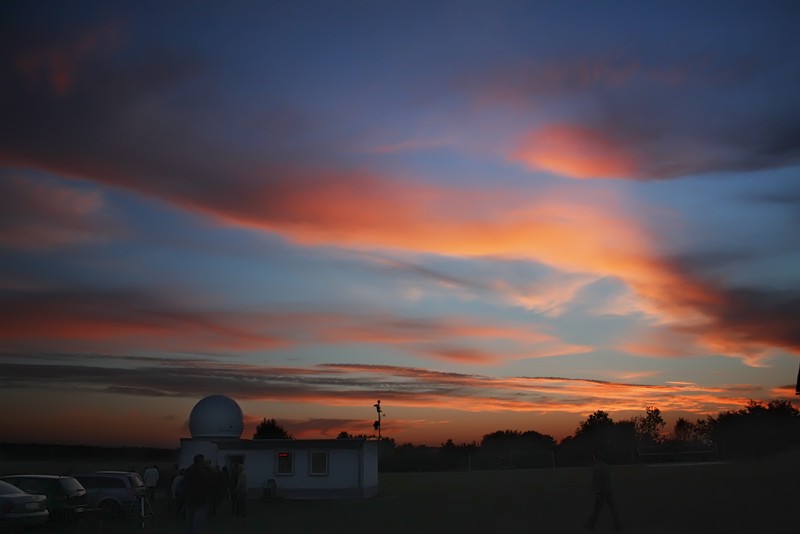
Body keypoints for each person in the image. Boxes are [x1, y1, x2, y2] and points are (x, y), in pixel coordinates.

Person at [583, 451, 622, 532]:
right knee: (612, 510)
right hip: (606, 492)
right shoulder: (603, 467)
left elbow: (600, 481)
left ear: (597, 459)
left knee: (597, 510)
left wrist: (598, 492)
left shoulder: (597, 468)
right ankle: (618, 526)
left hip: (602, 492)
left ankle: (590, 525)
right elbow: (606, 480)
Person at [183, 454, 214, 533]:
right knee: (197, 525)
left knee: (189, 524)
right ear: (201, 462)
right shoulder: (202, 473)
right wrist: (209, 468)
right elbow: (212, 482)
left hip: (189, 501)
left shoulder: (188, 472)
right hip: (201, 502)